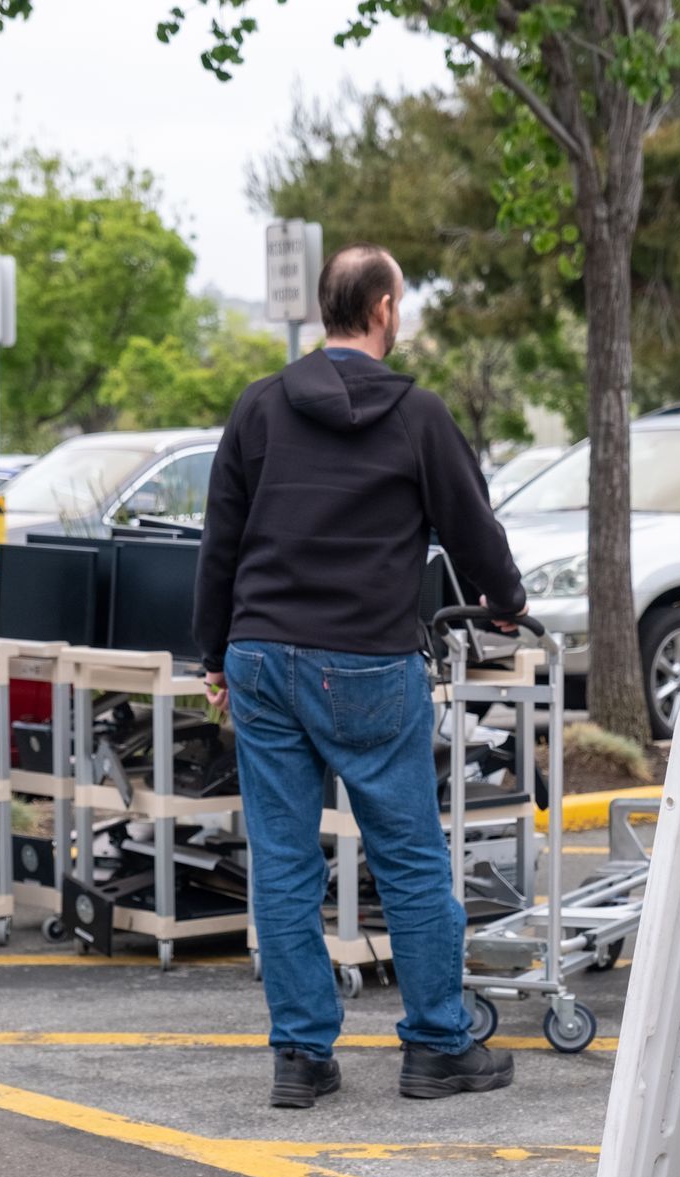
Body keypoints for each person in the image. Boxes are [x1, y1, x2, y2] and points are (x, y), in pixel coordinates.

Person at [193, 243, 528, 1108]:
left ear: (325, 309)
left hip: (261, 654)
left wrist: (210, 657)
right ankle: (436, 1047)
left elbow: (220, 543)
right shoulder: (417, 416)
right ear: (383, 310)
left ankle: (301, 1058)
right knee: (410, 858)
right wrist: (505, 600)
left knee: (283, 860)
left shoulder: (261, 407)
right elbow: (471, 528)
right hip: (366, 662)